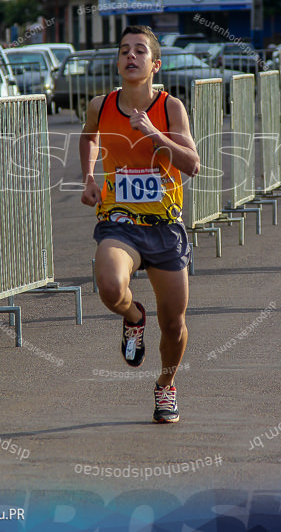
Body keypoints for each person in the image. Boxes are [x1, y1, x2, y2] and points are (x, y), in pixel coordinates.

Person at [79, 25, 201, 423]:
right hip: (120, 222)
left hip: (165, 226)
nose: (131, 56)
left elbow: (193, 165)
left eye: (140, 51)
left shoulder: (170, 108)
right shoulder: (101, 105)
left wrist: (152, 133)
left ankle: (166, 386)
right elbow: (88, 137)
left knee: (174, 322)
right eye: (124, 50)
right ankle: (133, 317)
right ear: (117, 62)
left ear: (155, 64)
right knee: (111, 287)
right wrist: (88, 176)